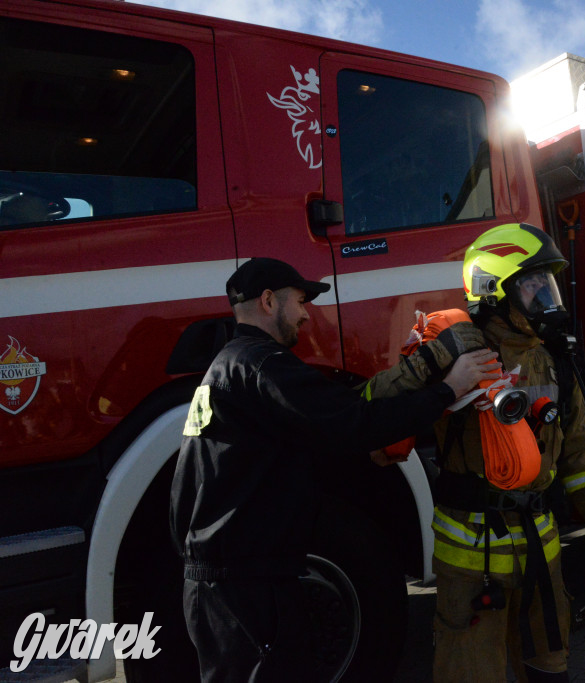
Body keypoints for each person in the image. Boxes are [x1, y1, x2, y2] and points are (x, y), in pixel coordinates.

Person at [169, 257, 498, 682]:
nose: (306, 315)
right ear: (268, 301)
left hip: (221, 582)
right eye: (300, 301)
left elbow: (289, 448)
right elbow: (353, 421)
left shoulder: (227, 367)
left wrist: (363, 453)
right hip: (248, 587)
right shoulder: (264, 365)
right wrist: (449, 389)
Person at [365, 223, 585, 682]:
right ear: (493, 290)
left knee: (548, 668)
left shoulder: (553, 361)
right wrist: (430, 360)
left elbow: (580, 457)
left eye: (548, 284)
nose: (546, 297)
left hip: (541, 551)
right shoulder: (453, 353)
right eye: (532, 285)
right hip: (470, 560)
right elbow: (371, 409)